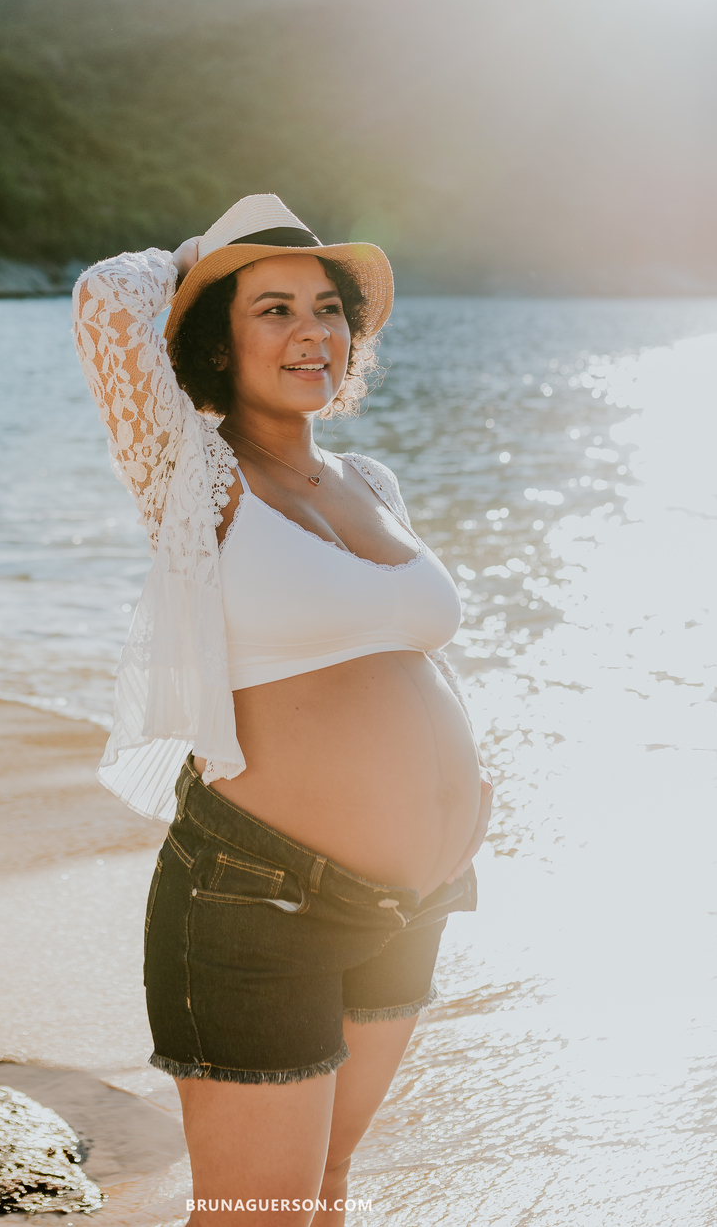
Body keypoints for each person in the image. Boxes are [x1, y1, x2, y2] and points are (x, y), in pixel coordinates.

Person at [73, 194, 492, 1220]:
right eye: (271, 309)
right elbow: (103, 298)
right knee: (257, 1215)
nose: (313, 330)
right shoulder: (198, 479)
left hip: (412, 902)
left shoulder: (370, 480)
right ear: (215, 342)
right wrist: (198, 262)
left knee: (330, 1191)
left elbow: (395, 650)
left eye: (327, 306)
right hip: (261, 901)